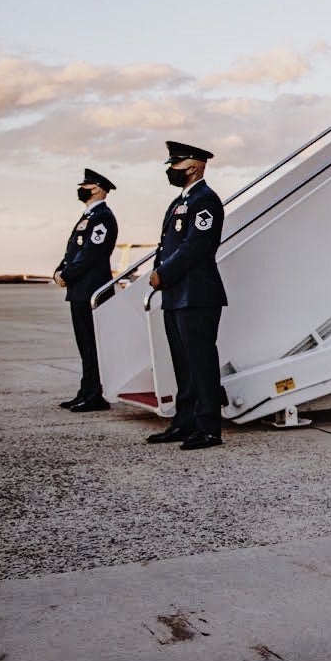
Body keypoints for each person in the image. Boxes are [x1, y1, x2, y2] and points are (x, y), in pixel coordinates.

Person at [145, 141, 228, 451]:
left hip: (198, 294)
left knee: (201, 362)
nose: (171, 170)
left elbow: (196, 247)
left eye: (176, 164)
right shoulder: (180, 201)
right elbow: (166, 245)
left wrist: (163, 274)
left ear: (195, 166)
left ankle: (209, 427)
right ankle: (185, 421)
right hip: (176, 294)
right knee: (182, 363)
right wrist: (159, 272)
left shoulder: (205, 200)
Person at [54, 168, 119, 411]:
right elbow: (72, 252)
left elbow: (91, 254)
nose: (82, 189)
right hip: (80, 290)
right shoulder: (87, 217)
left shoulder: (102, 217)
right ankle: (86, 390)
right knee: (85, 344)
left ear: (99, 189)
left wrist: (67, 274)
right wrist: (58, 270)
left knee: (93, 344)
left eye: (87, 186)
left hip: (92, 290)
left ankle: (95, 395)